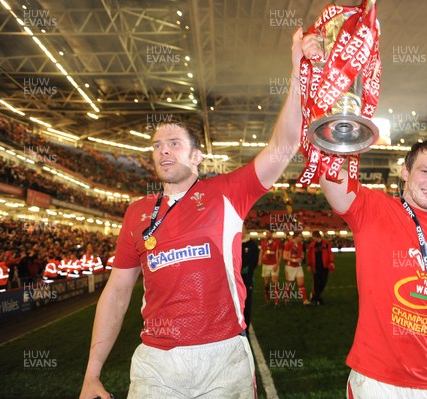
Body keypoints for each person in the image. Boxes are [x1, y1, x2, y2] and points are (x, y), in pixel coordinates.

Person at [79, 28, 304, 399]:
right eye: (156, 146)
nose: (163, 151)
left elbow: (284, 145)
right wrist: (92, 373)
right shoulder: (137, 213)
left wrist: (296, 72)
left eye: (174, 144)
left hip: (223, 358)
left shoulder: (228, 193)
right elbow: (117, 293)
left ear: (197, 156)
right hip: (156, 362)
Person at [313, 134, 427, 397]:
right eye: (426, 171)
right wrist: (332, 130)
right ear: (405, 171)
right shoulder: (372, 209)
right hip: (378, 381)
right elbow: (329, 177)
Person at [306, 231, 335, 305]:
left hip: (325, 266)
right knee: (316, 283)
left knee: (323, 283)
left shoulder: (326, 243)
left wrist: (331, 262)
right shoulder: (312, 245)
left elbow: (330, 253)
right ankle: (318, 299)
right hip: (316, 267)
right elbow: (309, 255)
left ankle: (315, 297)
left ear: (315, 237)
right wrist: (309, 264)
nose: (313, 238)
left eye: (313, 237)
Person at [282, 231, 310, 305]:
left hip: (298, 266)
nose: (301, 238)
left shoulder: (301, 244)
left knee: (301, 283)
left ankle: (305, 300)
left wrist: (301, 257)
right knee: (289, 284)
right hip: (290, 266)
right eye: (300, 236)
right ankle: (287, 299)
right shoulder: (288, 244)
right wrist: (294, 260)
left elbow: (302, 254)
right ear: (296, 237)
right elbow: (284, 256)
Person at [241, 225, 259, 334]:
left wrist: (246, 269)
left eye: (242, 228)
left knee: (246, 304)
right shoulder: (233, 243)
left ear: (246, 230)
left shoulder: (252, 245)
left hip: (246, 280)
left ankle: (246, 329)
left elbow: (254, 262)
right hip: (234, 281)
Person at [259, 230, 283, 306]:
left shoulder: (277, 242)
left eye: (268, 233)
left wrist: (277, 264)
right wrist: (260, 260)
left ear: (272, 233)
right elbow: (262, 252)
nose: (266, 234)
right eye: (265, 233)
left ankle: (277, 301)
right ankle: (267, 300)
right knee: (266, 283)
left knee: (274, 282)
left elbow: (280, 254)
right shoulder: (263, 242)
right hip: (265, 265)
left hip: (274, 264)